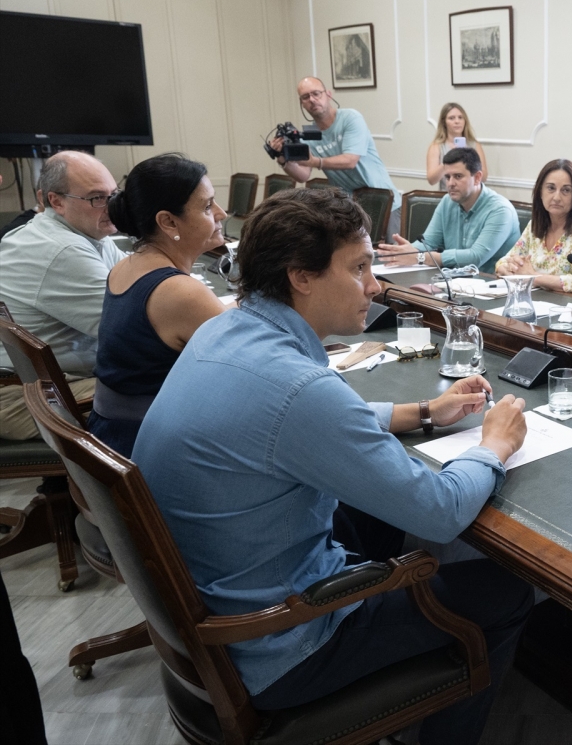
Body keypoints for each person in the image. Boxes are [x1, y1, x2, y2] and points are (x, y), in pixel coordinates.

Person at [132, 188, 532, 745]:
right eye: (360, 267)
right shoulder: (298, 388)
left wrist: (423, 411)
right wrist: (493, 445)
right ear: (302, 275)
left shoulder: (226, 329)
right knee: (504, 590)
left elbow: (286, 419)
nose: (374, 286)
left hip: (215, 611)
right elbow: (441, 512)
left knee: (376, 524)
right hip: (280, 647)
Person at [89, 154, 229, 457]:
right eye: (207, 206)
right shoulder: (180, 293)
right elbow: (258, 363)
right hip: (148, 451)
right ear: (167, 221)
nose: (222, 212)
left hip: (111, 439)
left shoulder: (128, 265)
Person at [0, 151, 124, 440]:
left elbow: (139, 287)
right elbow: (131, 327)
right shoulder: (62, 250)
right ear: (56, 201)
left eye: (114, 195)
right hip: (21, 396)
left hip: (43, 383)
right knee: (166, 389)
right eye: (97, 198)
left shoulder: (87, 233)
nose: (110, 207)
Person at [271, 77, 403, 238]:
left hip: (383, 200)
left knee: (392, 257)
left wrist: (316, 162)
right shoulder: (310, 134)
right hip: (351, 206)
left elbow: (350, 160)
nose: (312, 100)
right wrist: (282, 158)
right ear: (302, 103)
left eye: (316, 93)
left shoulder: (350, 118)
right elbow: (303, 174)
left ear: (328, 94)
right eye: (306, 97)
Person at [379, 147, 518, 274]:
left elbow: (475, 258)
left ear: (477, 178)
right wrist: (405, 251)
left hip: (492, 287)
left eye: (458, 176)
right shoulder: (448, 201)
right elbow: (428, 243)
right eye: (447, 177)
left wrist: (419, 257)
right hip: (456, 281)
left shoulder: (500, 210)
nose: (450, 183)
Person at [494, 159, 572, 293]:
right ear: (540, 191)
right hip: (536, 302)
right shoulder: (537, 223)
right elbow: (503, 262)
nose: (557, 197)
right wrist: (508, 268)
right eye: (551, 188)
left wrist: (533, 277)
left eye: (566, 190)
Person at [426, 103, 488, 190]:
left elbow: (484, 177)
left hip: (472, 197)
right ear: (444, 122)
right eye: (451, 118)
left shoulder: (474, 145)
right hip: (448, 197)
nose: (457, 121)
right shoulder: (436, 146)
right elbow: (431, 180)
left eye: (460, 117)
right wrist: (449, 159)